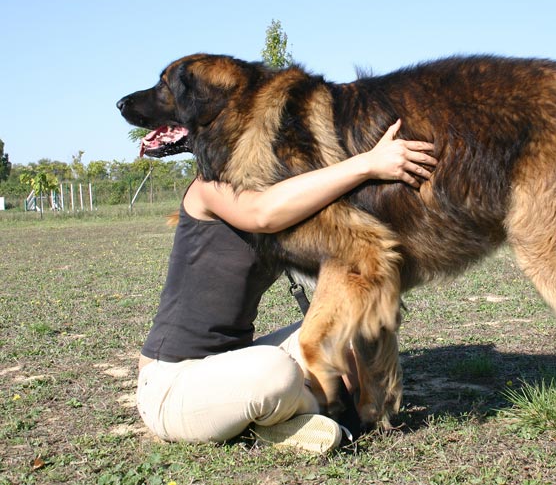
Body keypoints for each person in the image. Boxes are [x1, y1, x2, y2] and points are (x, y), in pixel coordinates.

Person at [135, 120, 436, 453]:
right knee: (276, 374)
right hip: (171, 384)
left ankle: (308, 410)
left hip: (232, 364)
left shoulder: (279, 189)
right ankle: (297, 413)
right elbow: (263, 214)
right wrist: (367, 164)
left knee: (349, 324)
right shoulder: (210, 184)